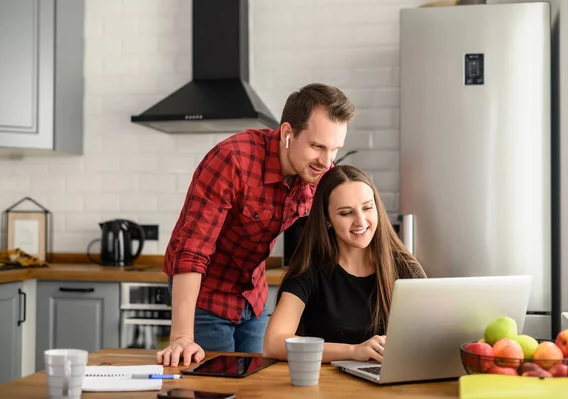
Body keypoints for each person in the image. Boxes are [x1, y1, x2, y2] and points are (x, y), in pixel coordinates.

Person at [156, 83, 355, 367]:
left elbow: (340, 231)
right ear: (288, 134)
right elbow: (192, 250)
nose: (327, 161)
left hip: (253, 298)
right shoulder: (233, 160)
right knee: (213, 388)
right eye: (317, 146)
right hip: (204, 299)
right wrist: (181, 337)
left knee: (259, 384)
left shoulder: (319, 171)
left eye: (335, 149)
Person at [263, 165, 427, 363]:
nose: (360, 221)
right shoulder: (309, 271)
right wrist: (353, 351)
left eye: (367, 208)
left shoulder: (405, 267)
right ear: (327, 220)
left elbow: (429, 336)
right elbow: (273, 343)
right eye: (346, 213)